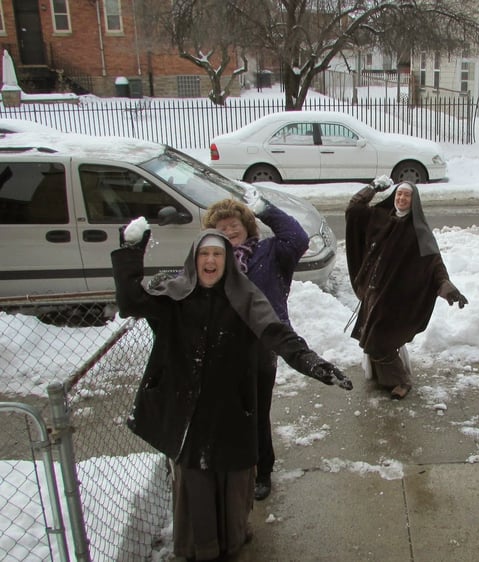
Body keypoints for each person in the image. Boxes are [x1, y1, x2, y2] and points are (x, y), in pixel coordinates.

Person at [111, 226, 352, 561]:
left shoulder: (246, 297)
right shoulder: (173, 296)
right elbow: (129, 302)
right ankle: (201, 548)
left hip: (231, 406)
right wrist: (130, 252)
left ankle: (233, 539)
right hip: (188, 413)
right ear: (194, 260)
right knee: (195, 481)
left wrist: (312, 363)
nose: (211, 260)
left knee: (234, 479)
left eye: (218, 254)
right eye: (204, 254)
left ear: (228, 261)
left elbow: (277, 334)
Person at [202, 195, 309, 501]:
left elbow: (298, 238)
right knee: (228, 412)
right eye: (221, 228)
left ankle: (263, 471)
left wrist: (266, 210)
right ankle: (234, 465)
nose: (229, 231)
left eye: (234, 224)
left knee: (257, 412)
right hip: (223, 347)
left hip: (263, 345)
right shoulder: (213, 260)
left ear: (247, 226)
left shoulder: (271, 252)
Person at [345, 177, 468, 400]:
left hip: (396, 299)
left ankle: (401, 380)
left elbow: (435, 266)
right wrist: (373, 188)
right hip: (373, 292)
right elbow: (354, 208)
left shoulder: (418, 232)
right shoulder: (380, 218)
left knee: (378, 342)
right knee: (372, 338)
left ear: (414, 201)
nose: (401, 198)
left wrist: (448, 288)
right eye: (399, 194)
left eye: (407, 195)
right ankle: (384, 379)